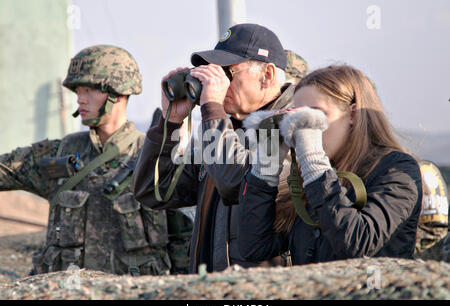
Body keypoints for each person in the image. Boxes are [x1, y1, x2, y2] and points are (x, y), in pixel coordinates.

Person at [0, 45, 188, 276]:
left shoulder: (156, 157)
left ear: (117, 93)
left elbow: (183, 242)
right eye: (78, 91)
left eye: (89, 90)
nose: (80, 99)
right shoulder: (60, 153)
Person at [132, 23, 295, 273]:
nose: (218, 83)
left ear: (268, 75)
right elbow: (154, 189)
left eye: (228, 73)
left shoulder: (292, 128)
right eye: (214, 72)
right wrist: (171, 123)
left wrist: (213, 111)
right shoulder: (224, 130)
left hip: (265, 290)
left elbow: (237, 183)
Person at [238, 64, 423, 265]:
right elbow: (254, 247)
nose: (305, 127)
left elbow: (357, 244)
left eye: (316, 115)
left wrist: (315, 166)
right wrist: (265, 167)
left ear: (352, 115)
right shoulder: (309, 179)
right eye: (299, 117)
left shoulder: (397, 170)